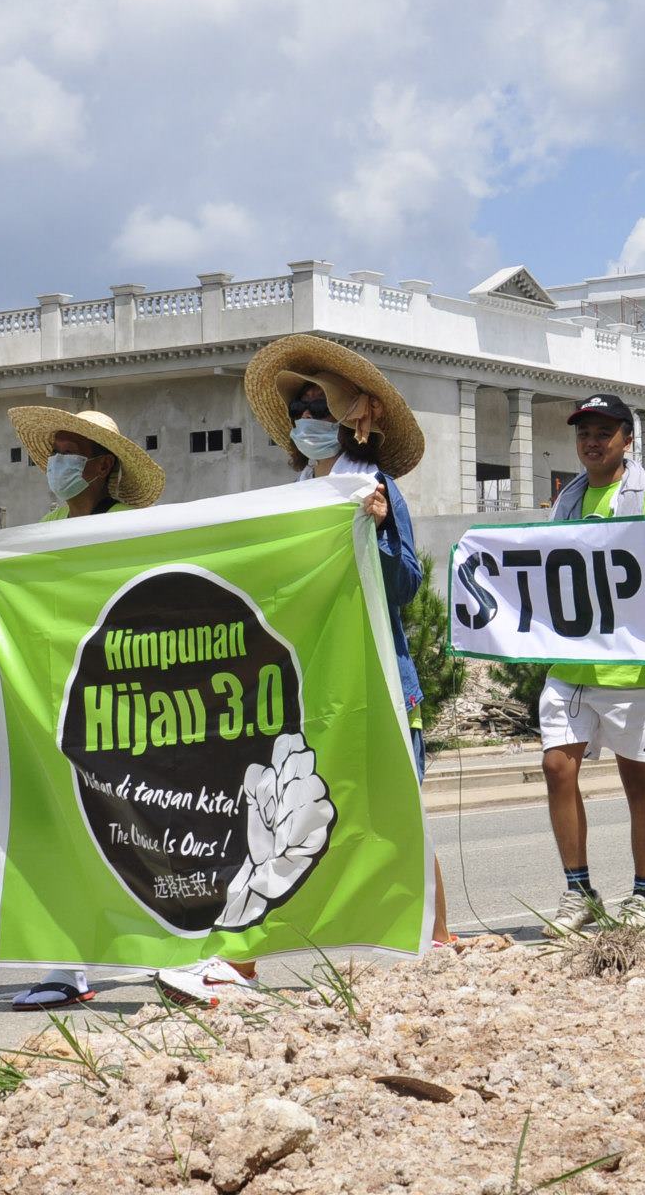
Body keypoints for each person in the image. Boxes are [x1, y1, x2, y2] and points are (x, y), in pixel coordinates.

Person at [156, 335, 447, 1006]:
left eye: (321, 406)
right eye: (301, 408)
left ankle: (437, 941)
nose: (308, 417)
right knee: (284, 817)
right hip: (310, 681)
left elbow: (404, 586)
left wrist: (377, 528)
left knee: (395, 807)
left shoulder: (372, 488)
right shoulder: (290, 499)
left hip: (375, 675)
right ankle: (243, 961)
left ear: (351, 418)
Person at [0, 406, 166, 1011]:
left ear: (101, 465)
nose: (56, 463)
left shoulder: (133, 526)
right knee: (61, 826)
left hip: (127, 702)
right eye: (53, 452)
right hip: (63, 702)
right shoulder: (45, 528)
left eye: (69, 452)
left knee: (143, 825)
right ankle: (65, 967)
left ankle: (176, 947)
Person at [538, 395, 645, 931]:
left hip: (631, 669)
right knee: (556, 767)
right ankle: (579, 891)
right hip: (572, 664)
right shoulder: (567, 499)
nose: (591, 442)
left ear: (627, 439)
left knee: (636, 780)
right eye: (584, 433)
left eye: (603, 432)